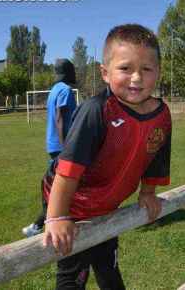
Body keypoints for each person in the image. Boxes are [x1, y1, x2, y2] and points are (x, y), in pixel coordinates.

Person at [42, 24, 172, 289]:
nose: (136, 78)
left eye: (146, 69)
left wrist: (148, 193)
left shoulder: (161, 115)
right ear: (105, 72)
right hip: (71, 203)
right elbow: (67, 171)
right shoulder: (96, 111)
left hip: (106, 205)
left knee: (108, 267)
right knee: (73, 275)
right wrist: (57, 217)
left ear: (157, 73)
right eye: (125, 68)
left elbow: (155, 157)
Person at [22, 58, 78, 237]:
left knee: (58, 184)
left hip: (53, 144)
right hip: (62, 145)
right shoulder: (65, 91)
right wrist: (66, 146)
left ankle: (49, 221)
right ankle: (38, 225)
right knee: (59, 186)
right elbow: (61, 118)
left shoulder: (54, 89)